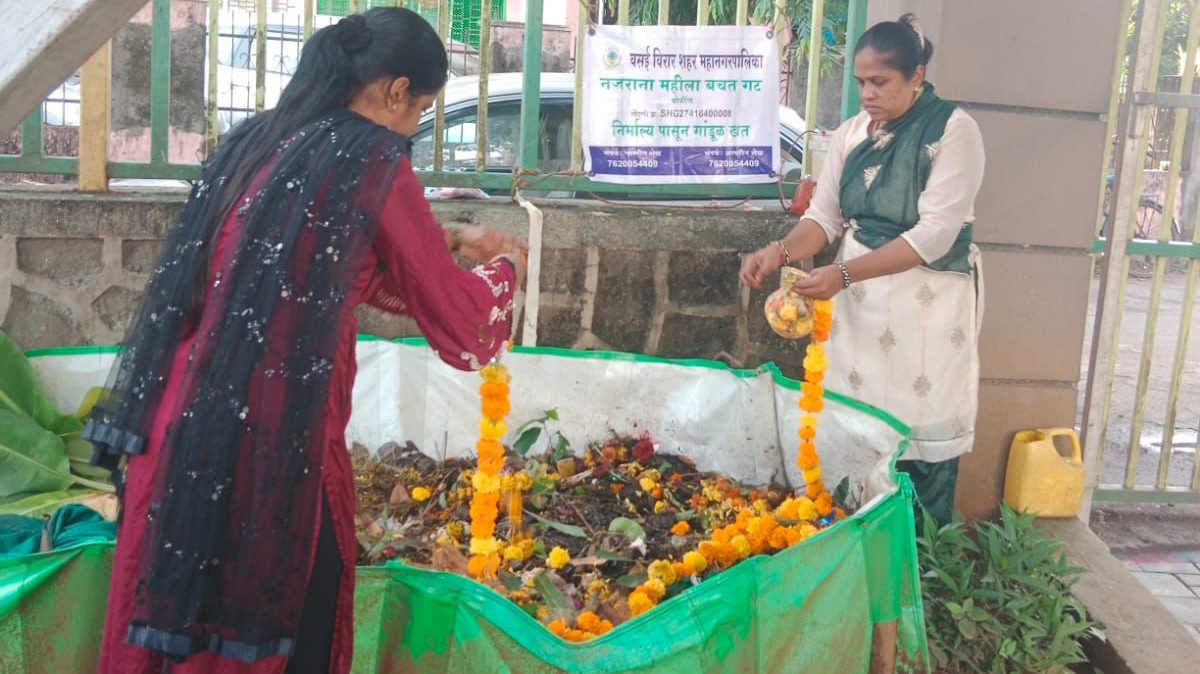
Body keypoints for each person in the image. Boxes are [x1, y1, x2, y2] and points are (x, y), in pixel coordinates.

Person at [85, 9, 525, 674]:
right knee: (282, 625)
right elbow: (462, 321)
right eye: (422, 109)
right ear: (396, 92)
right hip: (271, 441)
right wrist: (506, 269)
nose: (414, 128)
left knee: (180, 630)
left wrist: (451, 238)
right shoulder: (372, 159)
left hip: (182, 423)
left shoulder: (260, 138)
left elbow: (327, 256)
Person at [740, 14, 985, 528]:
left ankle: (919, 555)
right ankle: (852, 540)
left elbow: (934, 235)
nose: (868, 94)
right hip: (858, 303)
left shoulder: (953, 130)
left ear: (917, 76)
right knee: (852, 421)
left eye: (880, 82)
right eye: (860, 83)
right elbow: (824, 218)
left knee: (919, 427)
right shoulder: (853, 133)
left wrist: (844, 274)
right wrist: (778, 252)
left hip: (927, 304)